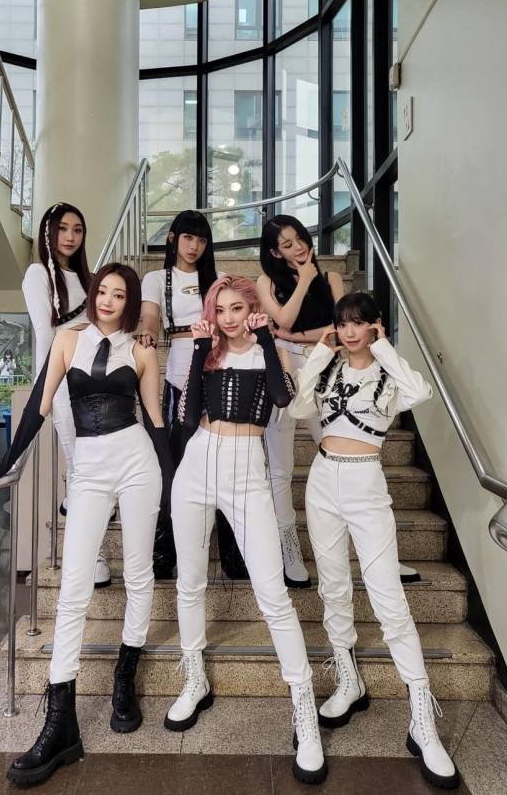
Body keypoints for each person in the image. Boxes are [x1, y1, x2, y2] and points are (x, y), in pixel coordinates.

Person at [0, 264, 172, 787]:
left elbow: (155, 419)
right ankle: (60, 720)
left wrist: (174, 484)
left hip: (137, 462)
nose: (108, 300)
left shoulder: (142, 349)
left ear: (130, 302)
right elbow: (39, 407)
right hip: (88, 467)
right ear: (93, 295)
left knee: (138, 573)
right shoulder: (68, 340)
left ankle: (124, 678)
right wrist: (7, 462)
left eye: (119, 294)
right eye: (102, 291)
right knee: (73, 587)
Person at [289, 292, 459, 790]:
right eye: (343, 324)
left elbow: (421, 391)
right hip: (323, 481)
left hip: (366, 481)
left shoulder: (389, 374)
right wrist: (318, 354)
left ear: (374, 326)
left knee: (389, 600)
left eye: (358, 323)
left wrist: (384, 347)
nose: (349, 332)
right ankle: (349, 679)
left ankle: (422, 718)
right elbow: (298, 408)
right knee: (333, 587)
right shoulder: (328, 370)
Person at [165, 275, 327, 786]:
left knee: (273, 595)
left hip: (247, 471)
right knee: (190, 583)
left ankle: (303, 707)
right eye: (221, 309)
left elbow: (281, 399)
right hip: (197, 466)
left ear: (251, 310)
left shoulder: (268, 352)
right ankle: (194, 679)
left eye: (237, 308)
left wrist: (265, 340)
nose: (229, 318)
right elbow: (187, 417)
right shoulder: (207, 353)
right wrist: (198, 350)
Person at [257, 215, 419, 587]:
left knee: (340, 449)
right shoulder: (267, 282)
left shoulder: (331, 277)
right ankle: (289, 549)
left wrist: (294, 336)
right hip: (282, 370)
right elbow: (284, 318)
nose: (298, 246)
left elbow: (336, 329)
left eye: (300, 238)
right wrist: (304, 281)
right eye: (287, 244)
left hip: (324, 367)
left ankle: (379, 553)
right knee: (280, 467)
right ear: (275, 253)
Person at [139, 210, 247, 581]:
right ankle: (163, 552)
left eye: (201, 240)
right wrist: (148, 334)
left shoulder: (218, 278)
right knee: (173, 464)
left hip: (217, 371)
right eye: (188, 237)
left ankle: (233, 555)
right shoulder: (156, 279)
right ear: (173, 238)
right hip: (177, 376)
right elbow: (150, 317)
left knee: (224, 460)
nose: (194, 246)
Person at [22, 202, 111, 589]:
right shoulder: (38, 273)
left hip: (96, 382)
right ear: (48, 232)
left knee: (98, 465)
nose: (71, 237)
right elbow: (47, 335)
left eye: (78, 230)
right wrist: (49, 386)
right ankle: (94, 554)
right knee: (83, 465)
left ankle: (76, 510)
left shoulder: (89, 279)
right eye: (63, 229)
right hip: (62, 381)